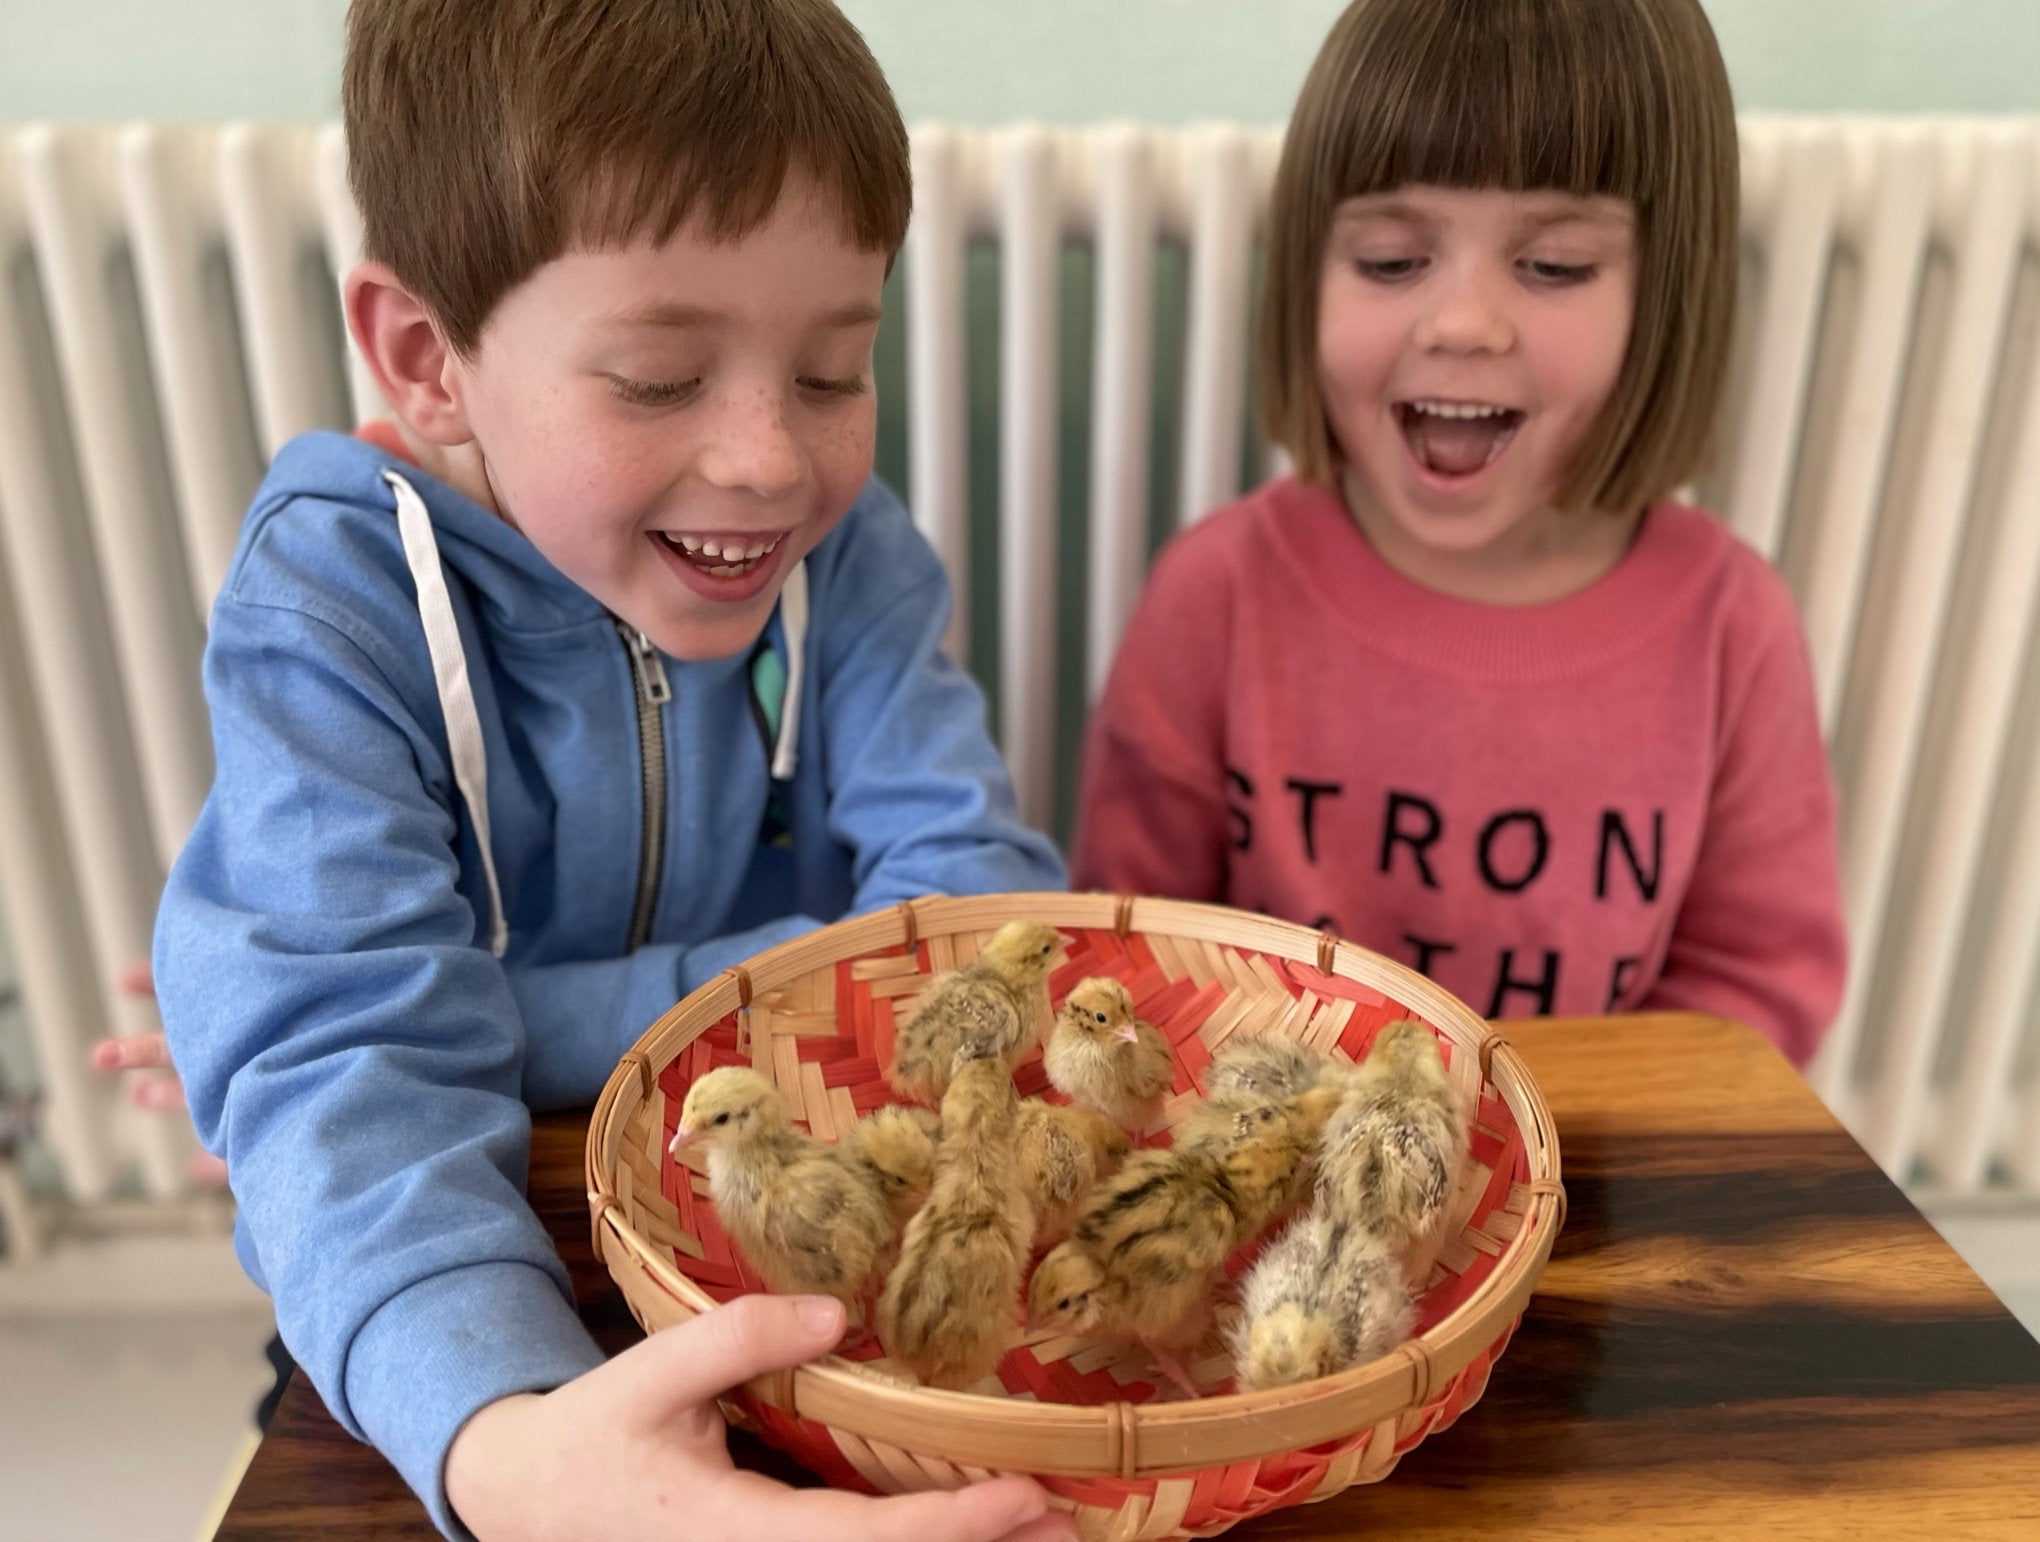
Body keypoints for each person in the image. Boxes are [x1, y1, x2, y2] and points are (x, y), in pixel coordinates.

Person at [152, 3, 1070, 1539]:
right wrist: (500, 1445)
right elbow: (349, 1085)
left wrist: (505, 1019)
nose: (773, 459)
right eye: (657, 377)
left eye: (836, 371)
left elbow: (981, 923)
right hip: (467, 1293)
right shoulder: (326, 611)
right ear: (428, 358)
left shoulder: (853, 562)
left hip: (803, 1254)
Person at [1071, 0, 1845, 1067]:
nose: (1463, 323)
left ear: (1666, 294)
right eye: (1392, 261)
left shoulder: (1735, 628)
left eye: (1556, 265)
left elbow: (1749, 999)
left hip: (1583, 1191)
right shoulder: (1218, 593)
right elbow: (1131, 955)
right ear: (1307, 274)